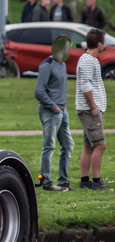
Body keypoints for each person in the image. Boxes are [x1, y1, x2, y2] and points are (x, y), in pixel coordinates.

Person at [34, 35, 74, 191]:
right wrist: (54, 107)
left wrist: (62, 109)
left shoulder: (62, 65)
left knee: (68, 145)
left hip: (62, 112)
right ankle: (46, 182)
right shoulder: (47, 65)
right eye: (67, 48)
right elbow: (39, 92)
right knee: (49, 146)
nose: (69, 51)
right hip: (50, 112)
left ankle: (63, 181)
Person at [75, 28, 112, 190]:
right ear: (98, 44)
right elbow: (85, 85)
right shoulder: (87, 60)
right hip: (90, 110)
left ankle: (85, 180)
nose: (105, 44)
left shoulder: (92, 60)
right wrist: (93, 106)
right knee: (100, 144)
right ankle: (96, 181)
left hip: (93, 109)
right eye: (104, 40)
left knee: (89, 145)